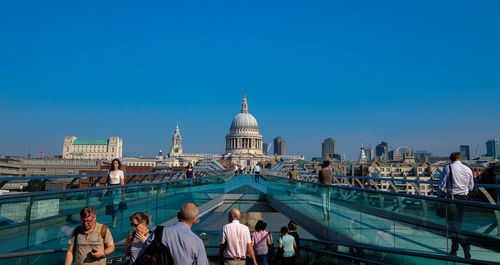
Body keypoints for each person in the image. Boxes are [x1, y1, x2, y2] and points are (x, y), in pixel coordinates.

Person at [137, 203, 208, 265]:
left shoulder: (159, 232)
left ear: (178, 215)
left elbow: (142, 255)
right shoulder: (197, 242)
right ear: (195, 221)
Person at [438, 152, 474, 259]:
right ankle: (454, 250)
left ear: (451, 159)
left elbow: (441, 186)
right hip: (464, 199)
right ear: (460, 159)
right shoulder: (468, 169)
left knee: (453, 225)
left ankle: (464, 244)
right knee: (457, 224)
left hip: (452, 199)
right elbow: (471, 187)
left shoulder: (448, 168)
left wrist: (439, 199)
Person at [106, 158, 125, 228]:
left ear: (118, 164)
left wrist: (123, 192)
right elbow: (107, 182)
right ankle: (113, 219)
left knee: (115, 206)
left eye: (116, 163)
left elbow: (122, 183)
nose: (115, 165)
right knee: (111, 206)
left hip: (117, 189)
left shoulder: (120, 172)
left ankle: (114, 221)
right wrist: (105, 190)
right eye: (114, 163)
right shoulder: (109, 172)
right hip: (110, 189)